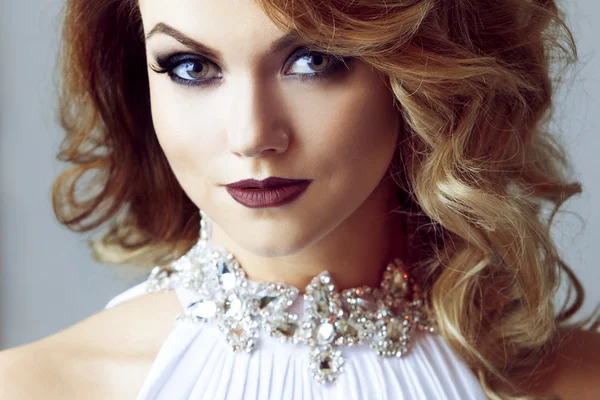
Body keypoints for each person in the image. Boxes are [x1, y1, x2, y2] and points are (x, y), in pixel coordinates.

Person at [1, 0, 599, 398]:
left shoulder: (579, 380)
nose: (251, 135)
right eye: (189, 66)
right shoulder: (40, 386)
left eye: (312, 60)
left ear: (425, 72)